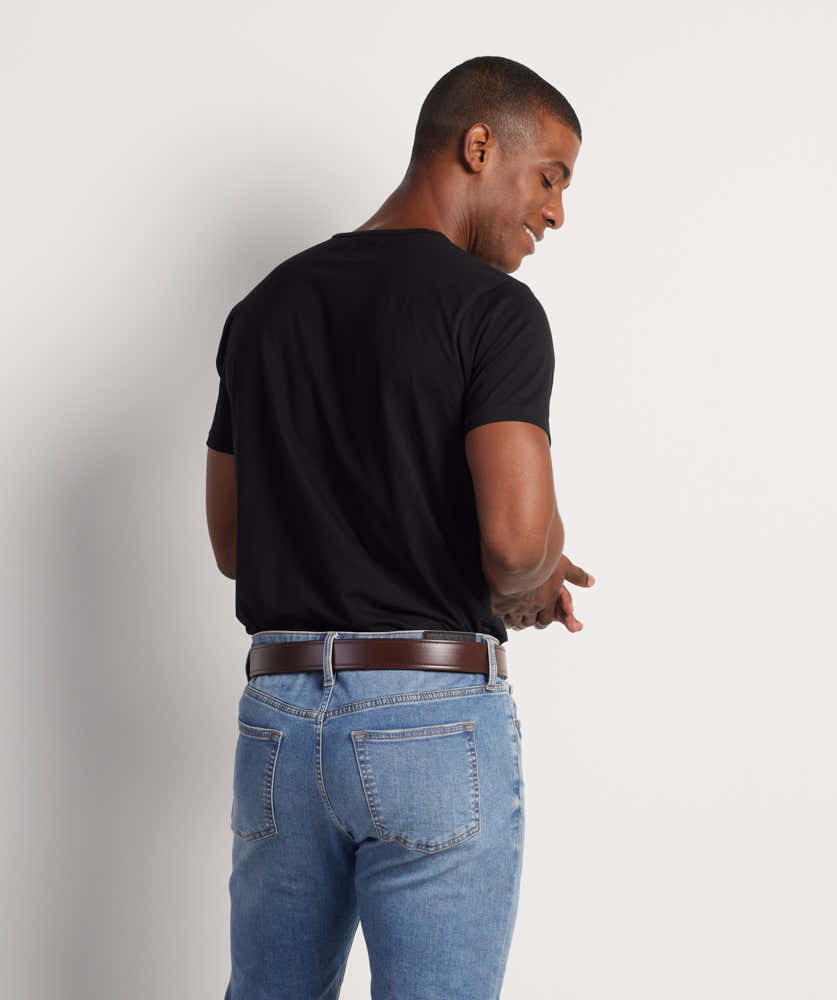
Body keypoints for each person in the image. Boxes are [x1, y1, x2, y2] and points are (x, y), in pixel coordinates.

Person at [205, 54, 595, 1000]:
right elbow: (515, 543)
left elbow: (232, 543)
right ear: (479, 146)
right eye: (550, 177)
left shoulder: (265, 308)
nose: (555, 212)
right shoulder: (495, 313)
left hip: (280, 719)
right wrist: (534, 576)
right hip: (431, 721)